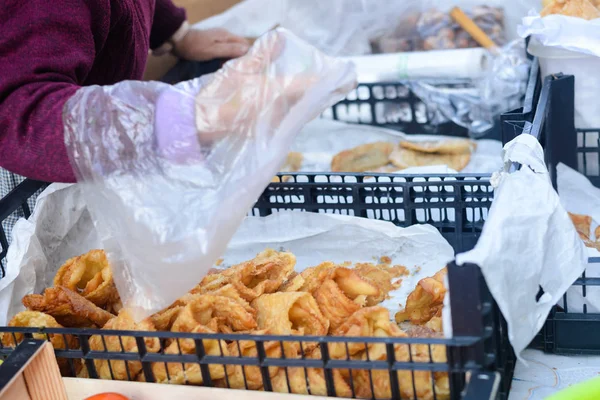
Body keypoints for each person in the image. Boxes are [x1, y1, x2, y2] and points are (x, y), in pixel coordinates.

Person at [0, 0, 249, 244]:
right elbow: (21, 111)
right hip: (34, 178)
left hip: (107, 155)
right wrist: (172, 119)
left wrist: (175, 33)